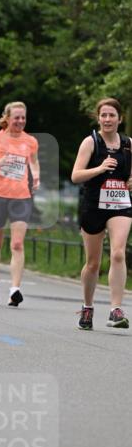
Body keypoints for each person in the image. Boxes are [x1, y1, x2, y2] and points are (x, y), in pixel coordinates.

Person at [71, 97, 132, 329]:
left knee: (118, 253)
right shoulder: (90, 142)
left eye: (111, 115)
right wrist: (100, 168)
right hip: (94, 205)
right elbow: (76, 176)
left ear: (120, 118)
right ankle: (87, 307)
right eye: (103, 115)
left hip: (120, 205)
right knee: (93, 263)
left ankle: (116, 309)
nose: (107, 119)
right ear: (98, 118)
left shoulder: (128, 144)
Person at [0, 101, 40, 306]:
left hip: (21, 197)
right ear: (8, 118)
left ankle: (15, 289)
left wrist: (36, 177)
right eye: (16, 117)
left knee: (17, 243)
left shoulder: (30, 141)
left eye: (23, 117)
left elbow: (34, 162)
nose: (20, 121)